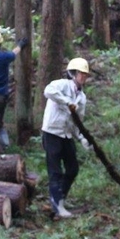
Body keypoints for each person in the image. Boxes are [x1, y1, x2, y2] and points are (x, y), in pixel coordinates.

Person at [41, 58, 91, 219]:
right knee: (55, 171)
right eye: (81, 74)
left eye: (85, 75)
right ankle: (57, 206)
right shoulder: (61, 85)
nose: (83, 77)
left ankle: (58, 199)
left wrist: (81, 138)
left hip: (67, 135)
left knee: (73, 168)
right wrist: (66, 101)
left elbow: (77, 122)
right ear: (73, 74)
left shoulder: (82, 98)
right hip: (52, 132)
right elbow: (48, 91)